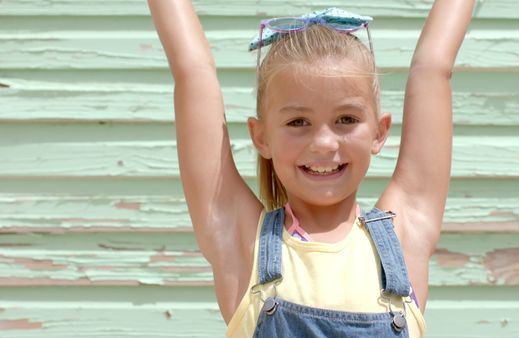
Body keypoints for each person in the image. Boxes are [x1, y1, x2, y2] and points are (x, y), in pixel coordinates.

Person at [148, 1, 474, 337]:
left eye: (345, 119)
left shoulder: (404, 236)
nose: (323, 142)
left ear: (379, 131)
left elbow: (433, 67)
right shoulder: (243, 242)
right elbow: (192, 71)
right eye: (298, 122)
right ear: (261, 137)